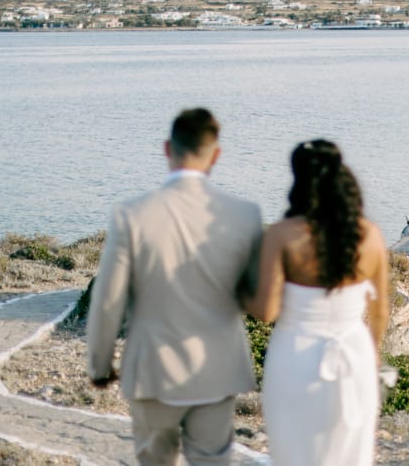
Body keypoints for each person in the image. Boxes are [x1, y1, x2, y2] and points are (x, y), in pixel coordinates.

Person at [86, 108, 263, 466]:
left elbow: (108, 301)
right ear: (216, 155)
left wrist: (100, 365)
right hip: (217, 368)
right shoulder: (244, 214)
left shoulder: (131, 215)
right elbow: (255, 296)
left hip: (153, 369)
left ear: (167, 148)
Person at [245, 139, 390, 466]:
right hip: (354, 357)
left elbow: (266, 311)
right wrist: (372, 358)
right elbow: (380, 312)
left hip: (295, 357)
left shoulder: (283, 235)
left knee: (295, 452)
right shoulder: (370, 235)